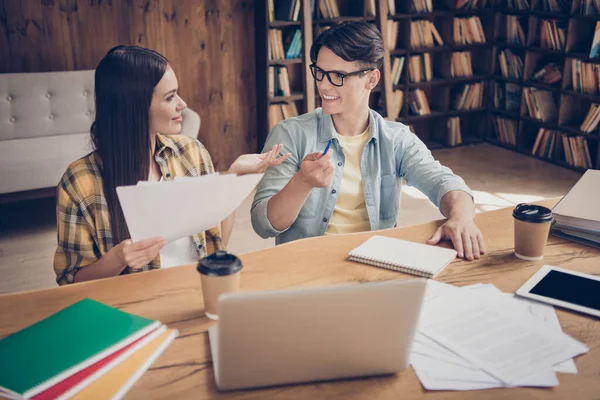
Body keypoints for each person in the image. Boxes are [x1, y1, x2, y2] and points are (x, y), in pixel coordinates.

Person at [54, 45, 289, 285]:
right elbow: (69, 281)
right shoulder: (79, 182)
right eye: (170, 97)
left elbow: (216, 247)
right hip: (134, 312)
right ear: (134, 107)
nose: (182, 104)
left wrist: (233, 177)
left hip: (197, 290)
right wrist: (117, 259)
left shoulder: (191, 152)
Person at [251, 21, 485, 261]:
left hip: (374, 264)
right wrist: (302, 182)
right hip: (308, 265)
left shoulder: (396, 138)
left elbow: (443, 182)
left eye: (338, 76)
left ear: (371, 80)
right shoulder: (290, 134)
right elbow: (263, 225)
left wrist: (461, 217)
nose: (323, 84)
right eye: (319, 72)